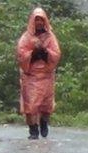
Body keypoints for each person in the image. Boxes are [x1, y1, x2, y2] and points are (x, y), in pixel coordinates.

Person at [16, 7, 60, 140]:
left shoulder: (50, 37)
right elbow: (21, 54)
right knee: (31, 105)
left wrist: (45, 52)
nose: (39, 23)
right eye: (37, 20)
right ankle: (33, 130)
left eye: (41, 20)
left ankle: (44, 122)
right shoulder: (26, 37)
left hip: (46, 75)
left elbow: (56, 54)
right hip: (31, 76)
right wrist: (33, 53)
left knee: (46, 105)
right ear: (32, 22)